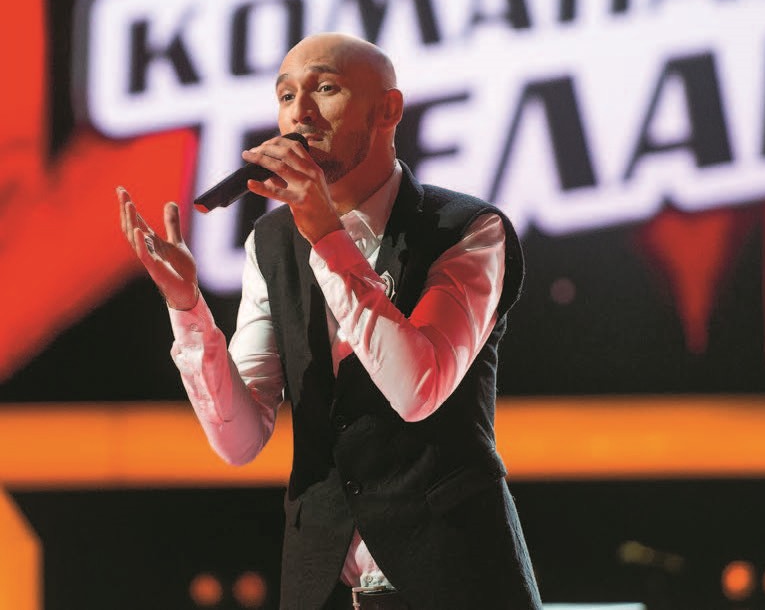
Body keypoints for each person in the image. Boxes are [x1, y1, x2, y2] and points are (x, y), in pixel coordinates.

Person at [117, 33, 542, 610]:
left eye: (325, 88)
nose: (301, 112)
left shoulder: (466, 230)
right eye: (286, 95)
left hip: (457, 580)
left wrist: (326, 235)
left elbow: (418, 389)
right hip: (323, 587)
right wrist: (187, 309)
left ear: (388, 109)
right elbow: (240, 440)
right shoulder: (270, 243)